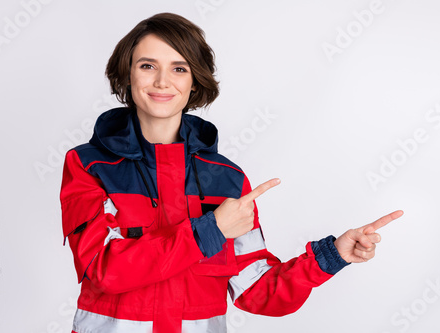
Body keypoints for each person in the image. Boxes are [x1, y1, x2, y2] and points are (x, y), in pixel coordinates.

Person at [60, 12, 403, 333]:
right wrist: (211, 230)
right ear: (127, 74)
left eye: (179, 69)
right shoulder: (89, 166)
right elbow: (104, 269)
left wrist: (332, 256)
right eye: (148, 65)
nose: (163, 81)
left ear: (195, 81)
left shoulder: (226, 179)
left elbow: (257, 290)